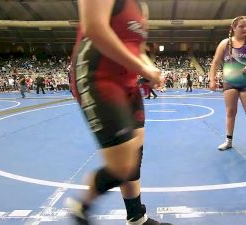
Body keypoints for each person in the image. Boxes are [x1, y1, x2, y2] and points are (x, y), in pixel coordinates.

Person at [69, 1, 170, 225]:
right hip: (99, 77)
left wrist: (152, 70)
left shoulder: (141, 6)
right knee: (123, 165)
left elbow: (138, 49)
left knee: (135, 156)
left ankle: (136, 217)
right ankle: (81, 205)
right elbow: (95, 28)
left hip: (128, 82)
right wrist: (143, 69)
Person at [208, 16, 246, 151]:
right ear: (233, 28)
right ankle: (228, 141)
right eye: (241, 26)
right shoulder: (225, 43)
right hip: (229, 83)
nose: (245, 28)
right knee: (230, 112)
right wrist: (212, 79)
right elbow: (215, 63)